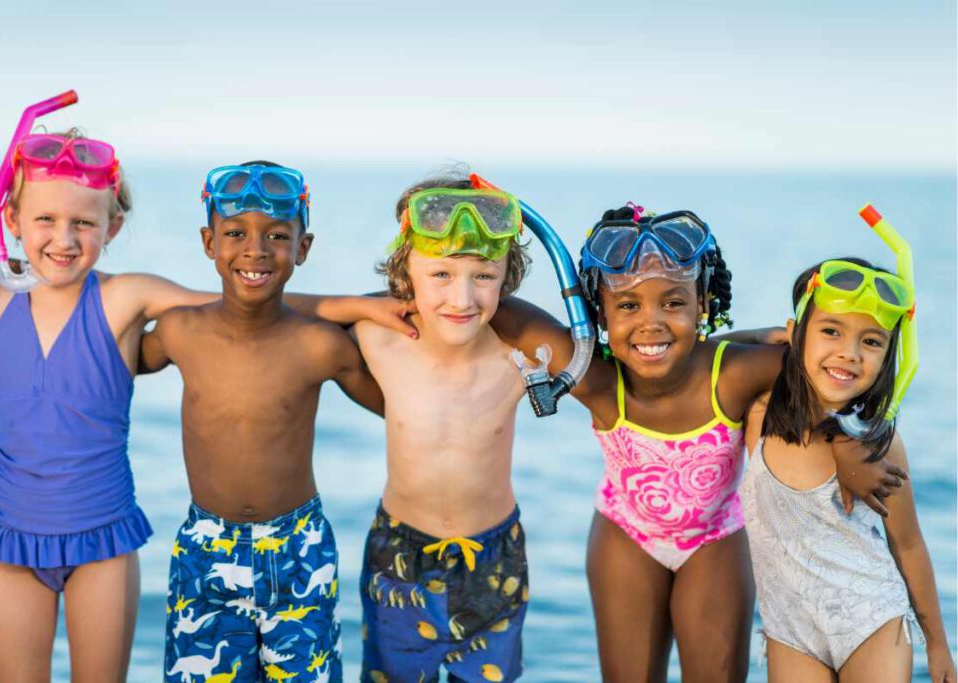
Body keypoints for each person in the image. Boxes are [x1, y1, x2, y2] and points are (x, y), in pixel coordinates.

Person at [489, 204, 907, 682]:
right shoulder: (599, 379)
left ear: (703, 305)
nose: (652, 323)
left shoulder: (733, 374)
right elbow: (501, 311)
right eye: (628, 306)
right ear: (598, 314)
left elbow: (820, 386)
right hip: (625, 536)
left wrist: (848, 450)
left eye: (673, 303)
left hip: (715, 540)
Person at [0, 130, 222, 680]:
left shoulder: (125, 297)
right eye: (45, 220)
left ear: (111, 227)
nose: (63, 239)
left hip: (102, 543)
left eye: (83, 224)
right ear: (11, 218)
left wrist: (360, 308)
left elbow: (244, 305)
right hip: (11, 538)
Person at [139, 161, 386, 683]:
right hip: (206, 544)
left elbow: (402, 410)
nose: (255, 250)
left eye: (277, 235)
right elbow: (102, 357)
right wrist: (33, 292)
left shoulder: (320, 344)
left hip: (299, 546)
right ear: (209, 243)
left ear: (303, 247)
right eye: (235, 234)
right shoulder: (180, 331)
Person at [353, 172, 533, 682]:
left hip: (496, 555)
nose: (463, 298)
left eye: (484, 276)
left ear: (508, 277)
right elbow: (286, 318)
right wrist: (353, 305)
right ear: (404, 271)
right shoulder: (374, 336)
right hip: (399, 554)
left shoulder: (521, 353)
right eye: (441, 275)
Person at [741, 255, 955, 682]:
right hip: (790, 632)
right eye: (831, 331)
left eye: (872, 342)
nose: (849, 353)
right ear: (796, 333)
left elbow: (909, 545)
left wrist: (937, 644)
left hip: (872, 619)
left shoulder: (880, 444)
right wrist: (778, 336)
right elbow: (705, 359)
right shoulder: (758, 413)